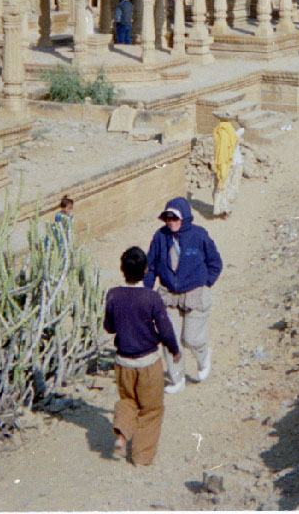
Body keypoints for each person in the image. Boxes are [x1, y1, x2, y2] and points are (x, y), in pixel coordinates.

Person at [104, 246, 180, 466]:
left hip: (123, 362)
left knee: (128, 401)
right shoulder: (151, 297)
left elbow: (109, 327)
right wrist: (174, 349)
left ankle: (122, 434)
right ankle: (141, 456)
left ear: (122, 270)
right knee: (151, 409)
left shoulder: (113, 295)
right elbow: (165, 328)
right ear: (146, 270)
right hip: (148, 361)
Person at [144, 197, 223, 393]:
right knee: (169, 338)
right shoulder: (160, 237)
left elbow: (215, 262)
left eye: (175, 218)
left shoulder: (199, 235)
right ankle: (177, 379)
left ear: (184, 217)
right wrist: (146, 292)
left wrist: (206, 283)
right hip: (169, 295)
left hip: (195, 294)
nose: (171, 222)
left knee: (191, 338)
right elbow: (151, 267)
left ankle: (203, 357)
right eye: (167, 218)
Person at [211, 120, 243, 219]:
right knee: (232, 187)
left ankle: (221, 208)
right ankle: (227, 209)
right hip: (236, 164)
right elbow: (244, 127)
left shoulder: (218, 137)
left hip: (223, 166)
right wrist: (238, 119)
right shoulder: (235, 135)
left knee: (221, 187)